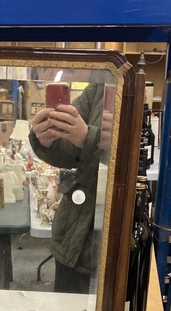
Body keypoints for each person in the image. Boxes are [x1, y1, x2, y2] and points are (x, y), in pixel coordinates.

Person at [29, 80, 113, 294]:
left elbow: (130, 159)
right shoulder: (99, 86)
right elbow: (69, 153)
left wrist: (89, 138)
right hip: (75, 230)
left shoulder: (129, 85)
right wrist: (46, 140)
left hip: (112, 228)